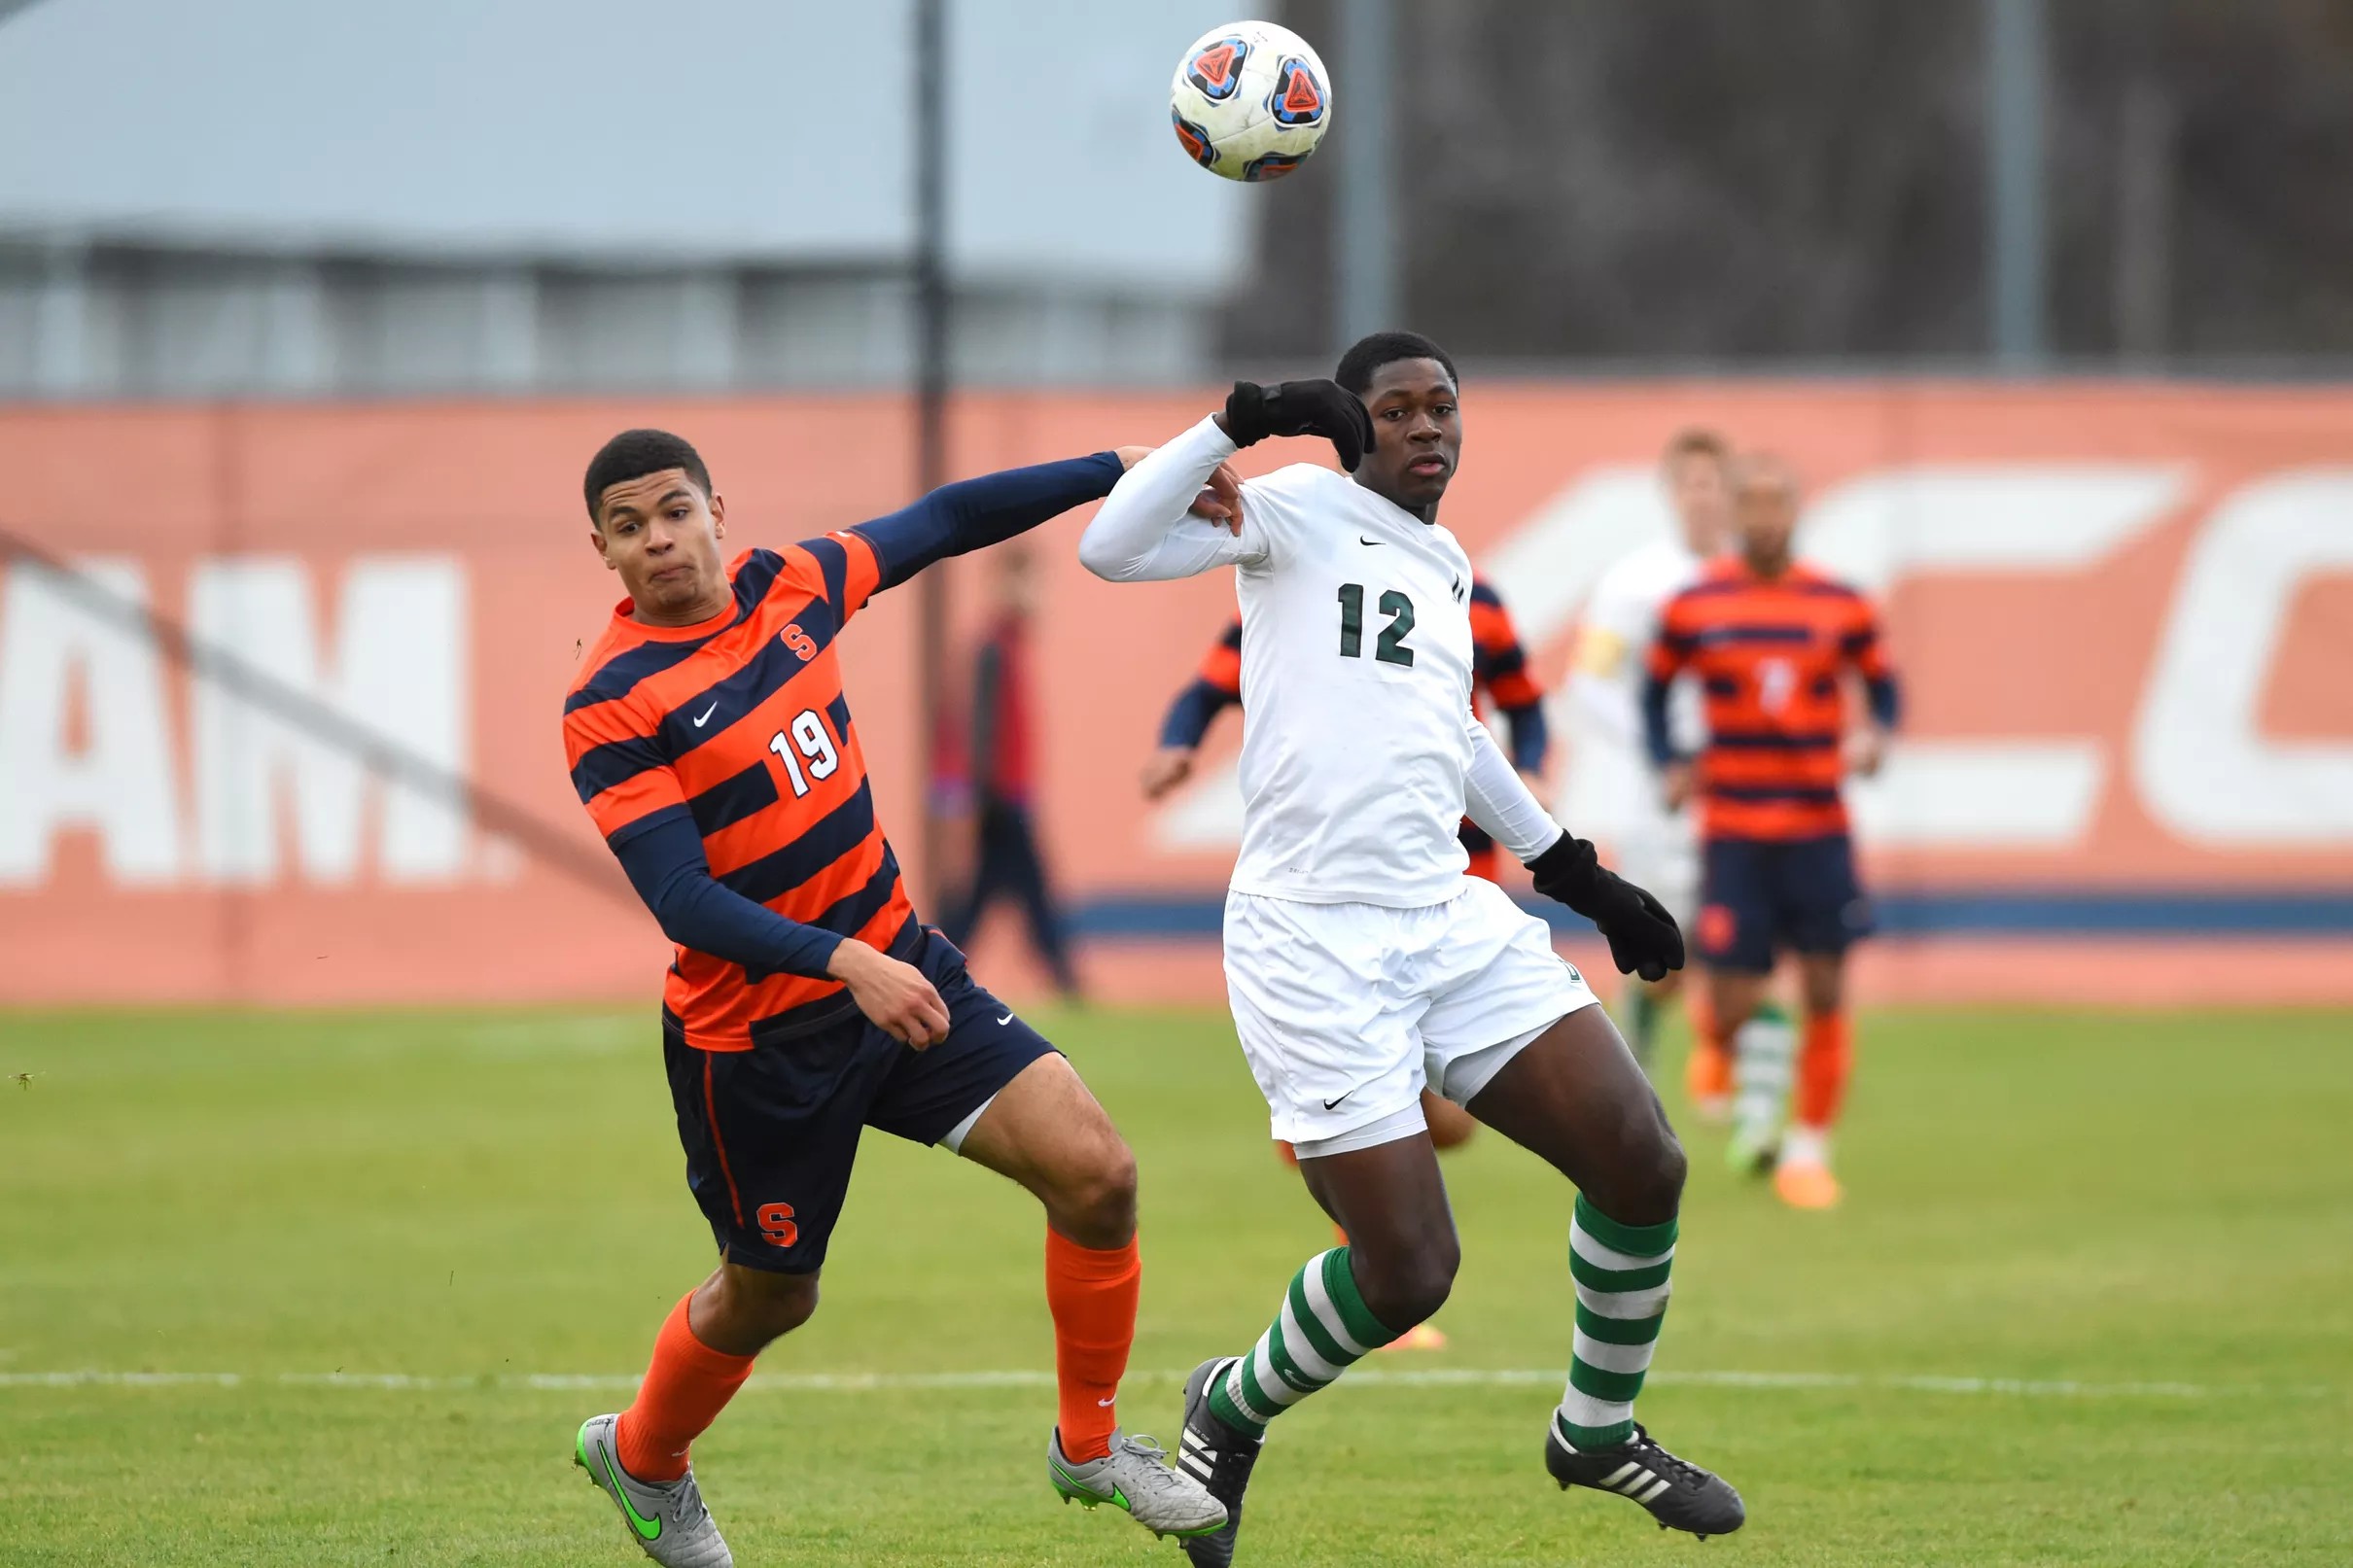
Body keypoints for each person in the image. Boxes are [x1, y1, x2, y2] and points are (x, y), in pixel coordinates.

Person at [1079, 332, 1745, 1563]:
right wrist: (1236, 422)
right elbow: (1109, 545)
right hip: (1309, 942)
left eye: (1442, 406)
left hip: (1443, 920)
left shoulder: (1444, 564)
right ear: (1352, 424)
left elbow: (1455, 735)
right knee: (1406, 1272)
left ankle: (1595, 1430)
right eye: (1395, 409)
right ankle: (1227, 1405)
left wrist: (1579, 874)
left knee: (1642, 1161)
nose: (1426, 427)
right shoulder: (1289, 510)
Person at [560, 430, 1235, 1566]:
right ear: (603, 551)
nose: (659, 539)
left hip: (902, 969)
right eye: (630, 527)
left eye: (674, 510)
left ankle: (1090, 1442)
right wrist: (843, 961)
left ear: (718, 506)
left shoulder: (795, 583)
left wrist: (1120, 469)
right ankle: (641, 1455)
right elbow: (679, 897)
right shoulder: (612, 701)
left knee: (1097, 1173)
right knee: (772, 1295)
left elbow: (947, 517)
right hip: (760, 1038)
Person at [1143, 585, 1550, 1350]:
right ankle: (1373, 1265)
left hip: (1458, 876)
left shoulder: (1476, 599)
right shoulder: (1296, 584)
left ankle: (1326, 1144)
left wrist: (1533, 771)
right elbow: (1207, 685)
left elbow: (1526, 702)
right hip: (1343, 882)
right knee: (1376, 1095)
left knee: (1452, 1124)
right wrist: (1178, 745)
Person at [1642, 453, 1899, 1210]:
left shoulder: (1840, 603)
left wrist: (1876, 735)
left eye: (1773, 503)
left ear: (1796, 510)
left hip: (1818, 825)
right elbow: (1655, 691)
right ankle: (1725, 1060)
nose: (1761, 518)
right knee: (1727, 1000)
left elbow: (1882, 685)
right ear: (1733, 516)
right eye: (1747, 505)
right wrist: (1672, 761)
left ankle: (1808, 1149)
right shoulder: (1696, 604)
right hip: (1735, 829)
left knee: (1825, 986)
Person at [1568, 431, 1799, 1159]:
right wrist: (1660, 750)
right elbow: (1586, 681)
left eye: (1714, 484)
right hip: (1663, 806)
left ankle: (1758, 1124)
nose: (1704, 497)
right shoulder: (1636, 583)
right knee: (1661, 961)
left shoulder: (1759, 579)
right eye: (1690, 484)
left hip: (1751, 798)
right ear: (1672, 492)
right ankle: (1632, 1100)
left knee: (1753, 956)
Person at [941, 545, 1080, 999]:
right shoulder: (993, 648)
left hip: (1008, 796)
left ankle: (932, 970)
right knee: (1030, 894)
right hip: (1001, 799)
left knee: (980, 901)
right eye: (1029, 582)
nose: (1038, 594)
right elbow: (980, 727)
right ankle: (1067, 983)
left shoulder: (1012, 643)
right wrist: (984, 797)